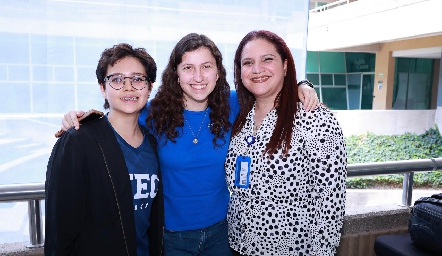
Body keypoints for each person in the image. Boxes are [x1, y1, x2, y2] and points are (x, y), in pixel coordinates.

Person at [58, 33, 319, 256]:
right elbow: (119, 114)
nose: (198, 76)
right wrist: (81, 118)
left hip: (221, 234)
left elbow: (267, 84)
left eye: (206, 66)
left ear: (218, 72)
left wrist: (301, 85)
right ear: (176, 75)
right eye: (188, 68)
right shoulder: (154, 114)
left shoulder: (233, 104)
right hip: (170, 238)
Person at [225, 30, 347, 256]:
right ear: (240, 71)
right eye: (248, 62)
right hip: (237, 246)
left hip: (291, 250)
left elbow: (330, 204)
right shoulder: (240, 117)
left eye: (267, 59)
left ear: (285, 65)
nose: (257, 69)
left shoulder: (314, 118)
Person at [45, 43, 164, 256]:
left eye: (138, 79)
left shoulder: (153, 145)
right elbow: (59, 231)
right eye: (117, 79)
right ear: (103, 87)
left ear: (149, 86)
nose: (128, 87)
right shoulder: (78, 141)